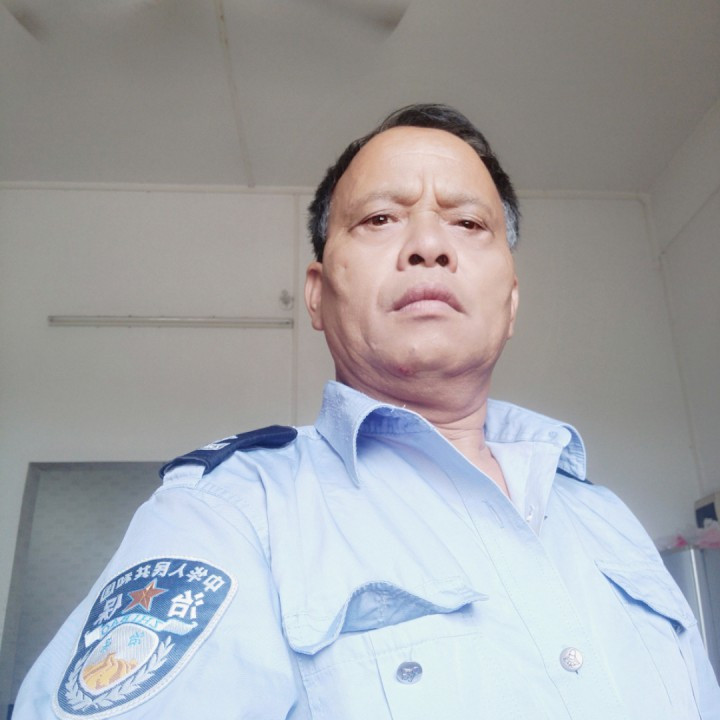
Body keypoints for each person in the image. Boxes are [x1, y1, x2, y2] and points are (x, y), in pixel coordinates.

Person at [14, 104, 720, 719]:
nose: (429, 245)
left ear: (510, 301)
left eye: (468, 222)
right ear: (317, 294)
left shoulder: (605, 518)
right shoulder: (231, 512)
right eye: (380, 218)